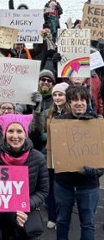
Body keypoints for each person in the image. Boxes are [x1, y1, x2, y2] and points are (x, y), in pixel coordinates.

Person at [53, 85, 103, 240]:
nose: (79, 103)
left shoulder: (97, 123)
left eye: (82, 99)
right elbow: (52, 151)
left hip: (88, 184)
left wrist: (96, 171)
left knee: (88, 223)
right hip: (64, 184)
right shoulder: (58, 122)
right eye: (74, 100)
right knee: (62, 221)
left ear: (87, 101)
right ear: (68, 102)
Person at [0, 114, 49, 239]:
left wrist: (23, 206)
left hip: (25, 217)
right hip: (0, 220)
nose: (15, 136)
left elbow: (43, 191)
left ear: (25, 134)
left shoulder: (38, 159)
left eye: (19, 131)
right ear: (4, 134)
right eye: (10, 131)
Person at [43, 82, 70, 230]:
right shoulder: (49, 112)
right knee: (50, 188)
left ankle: (62, 218)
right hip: (51, 155)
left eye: (61, 94)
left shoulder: (72, 112)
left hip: (66, 157)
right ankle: (53, 217)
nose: (57, 97)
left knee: (63, 190)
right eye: (55, 94)